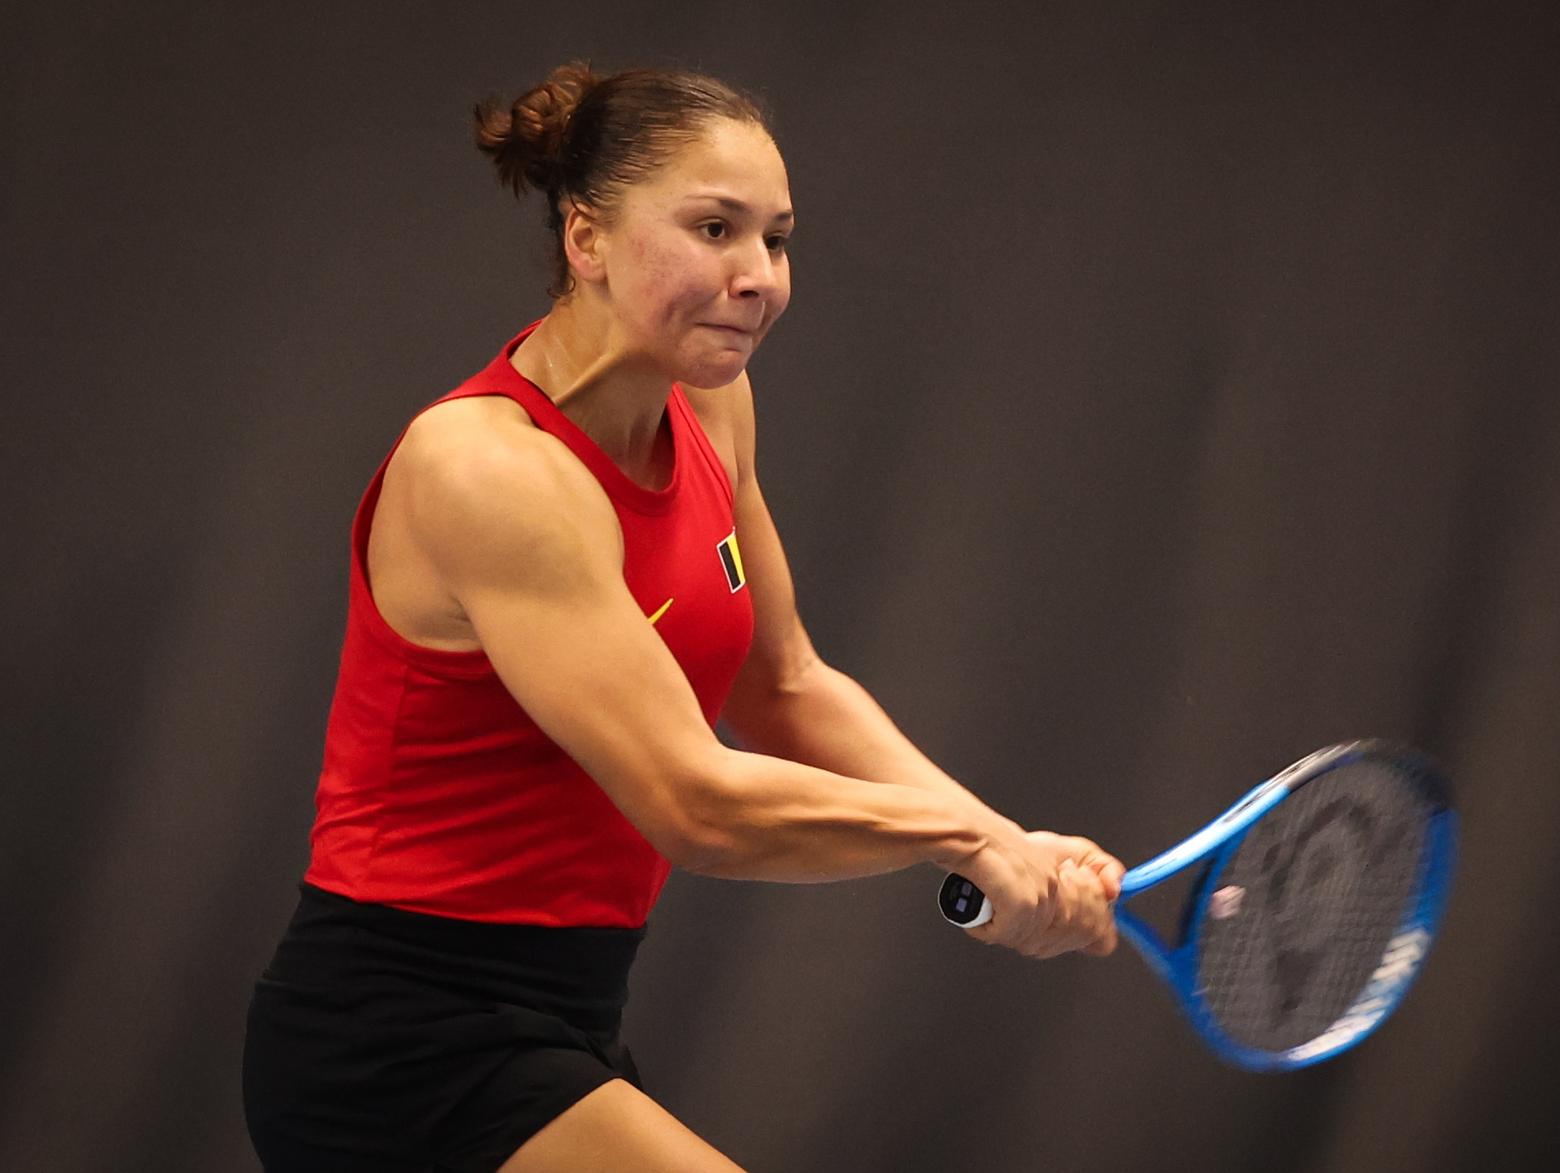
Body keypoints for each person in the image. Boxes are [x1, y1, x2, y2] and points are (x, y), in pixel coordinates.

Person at [241, 61, 1123, 1172]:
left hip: (565, 1013)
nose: (759, 278)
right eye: (714, 229)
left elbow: (785, 684)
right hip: (398, 1036)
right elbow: (694, 804)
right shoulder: (486, 470)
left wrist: (1004, 836)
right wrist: (964, 839)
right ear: (587, 238)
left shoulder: (711, 404)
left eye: (776, 239)